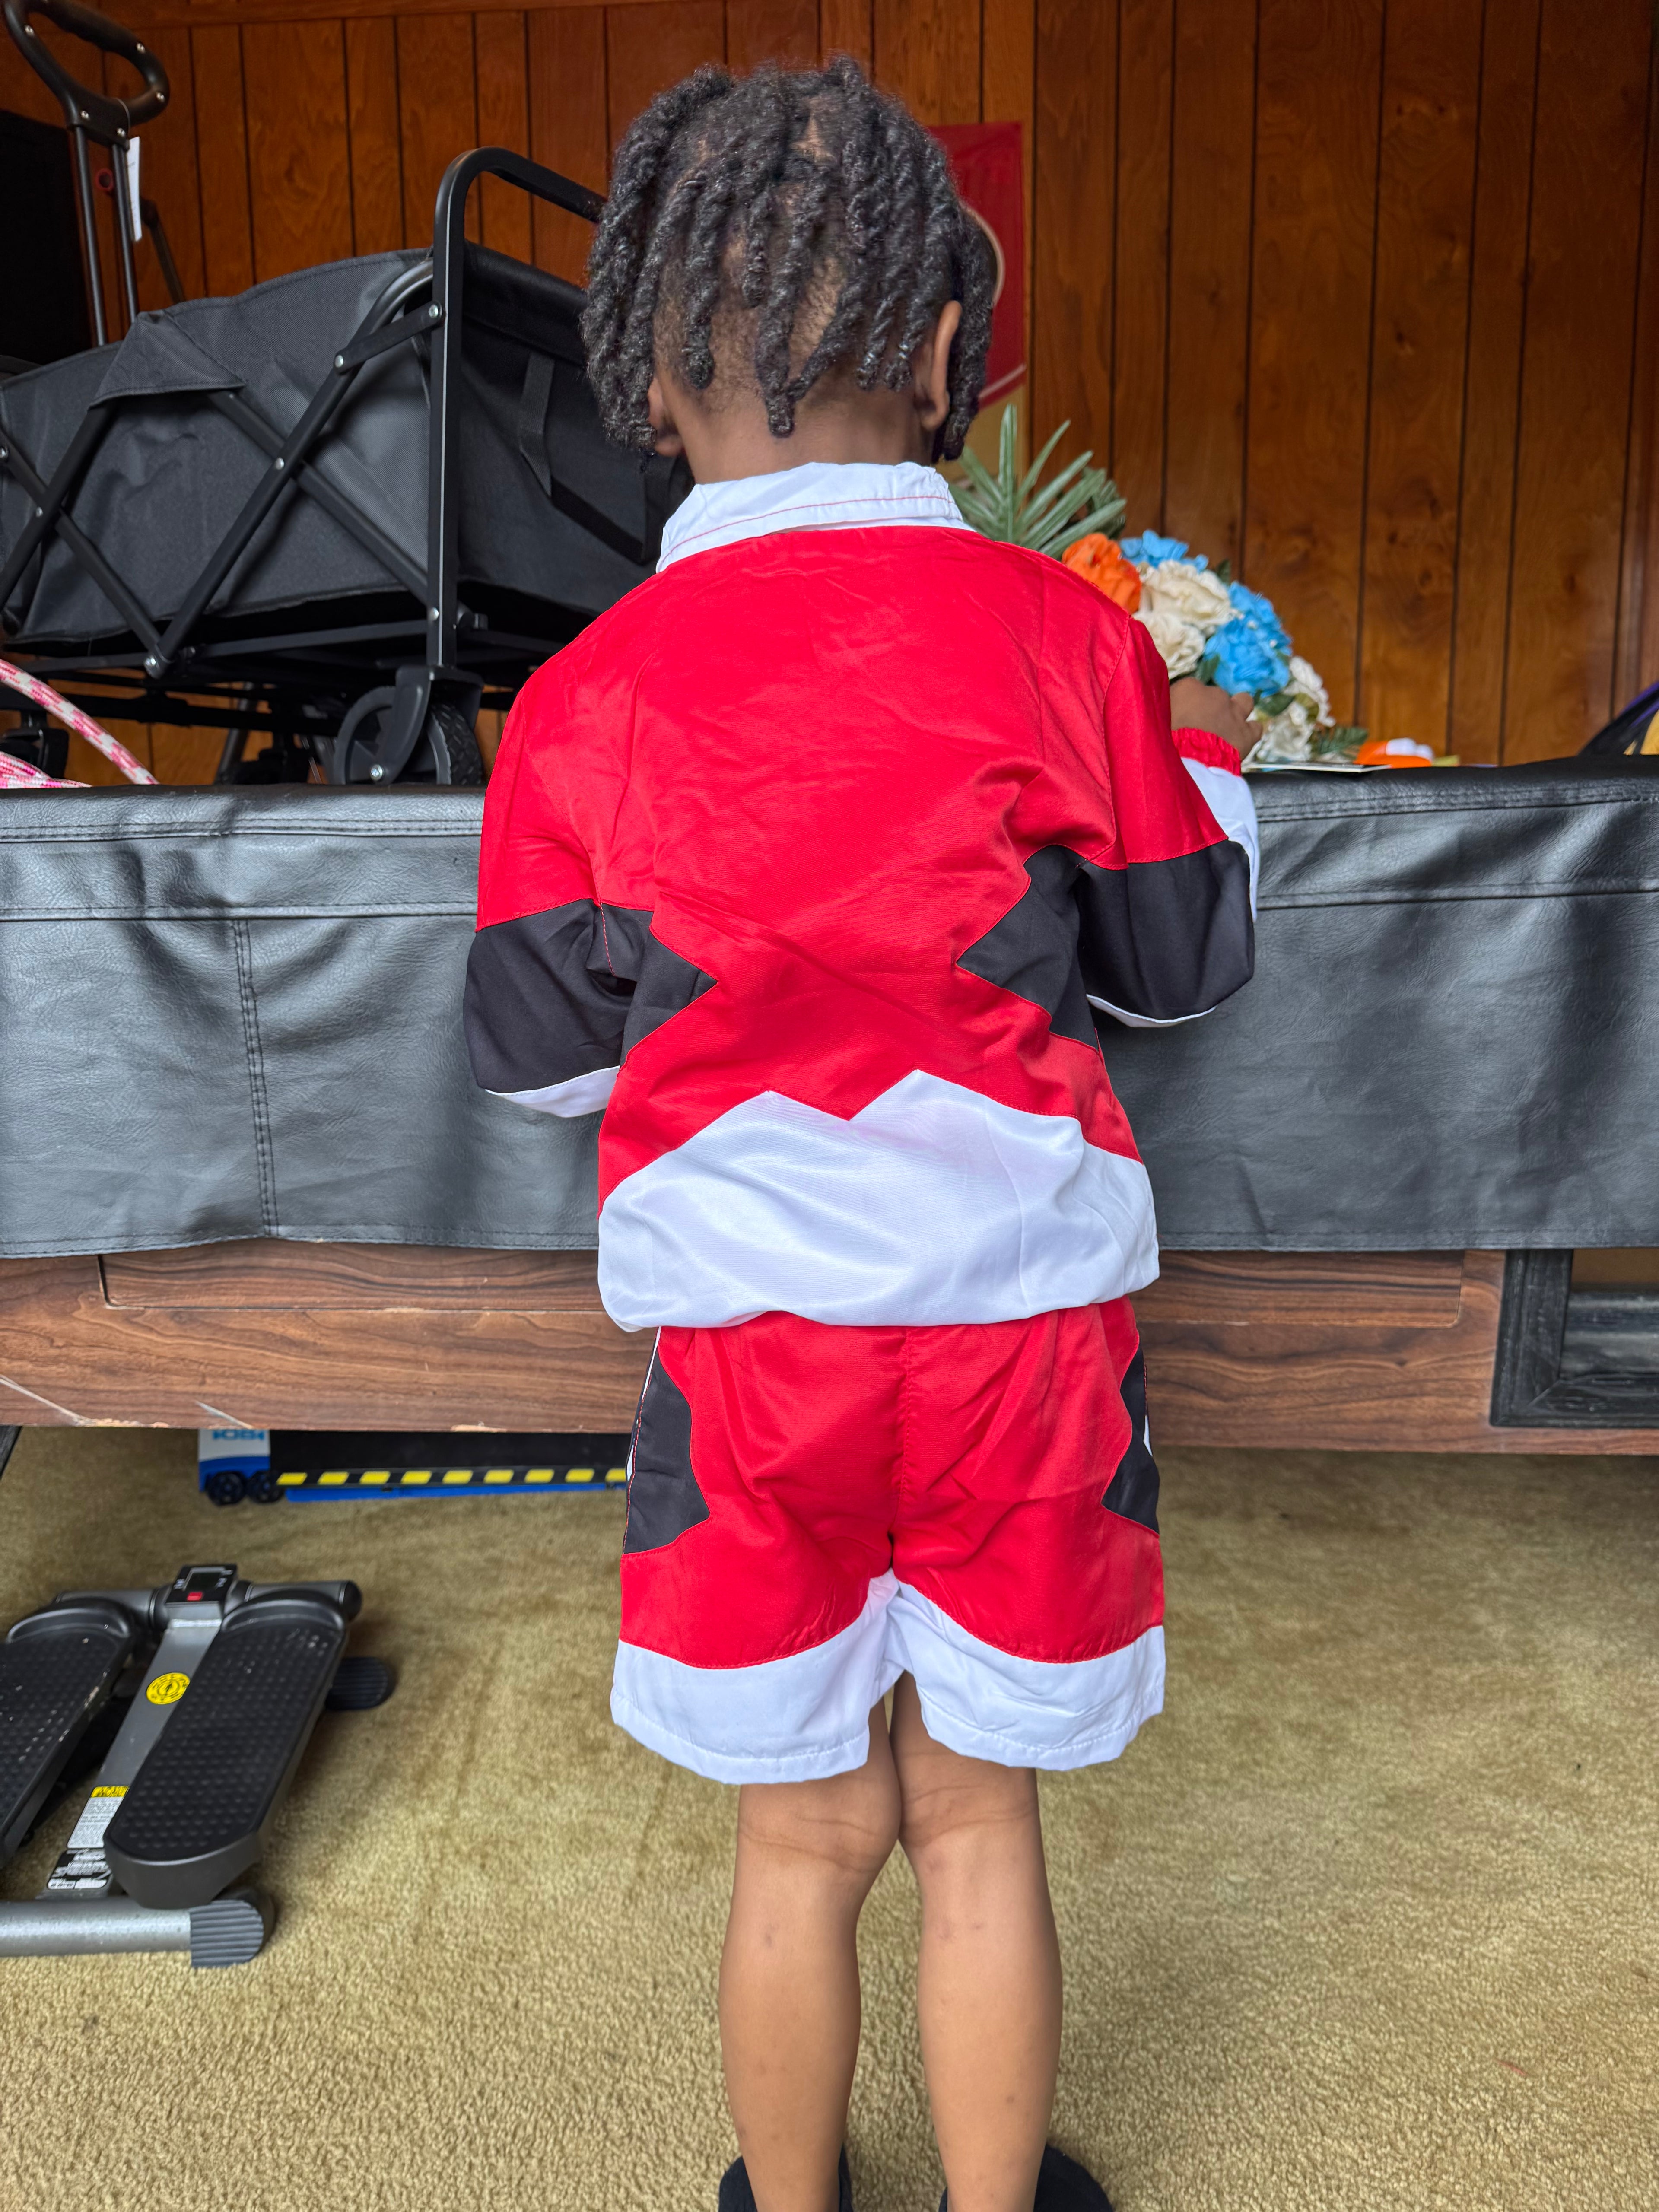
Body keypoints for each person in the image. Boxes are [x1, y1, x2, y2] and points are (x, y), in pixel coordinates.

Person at [464, 56, 1258, 2212]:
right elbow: (1182, 969)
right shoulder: (1068, 643)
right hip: (1023, 1350)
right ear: (944, 350)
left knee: (803, 1833)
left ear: (646, 372)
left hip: (751, 1367)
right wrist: (1214, 764)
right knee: (979, 1816)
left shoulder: (582, 700)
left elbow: (537, 1061)